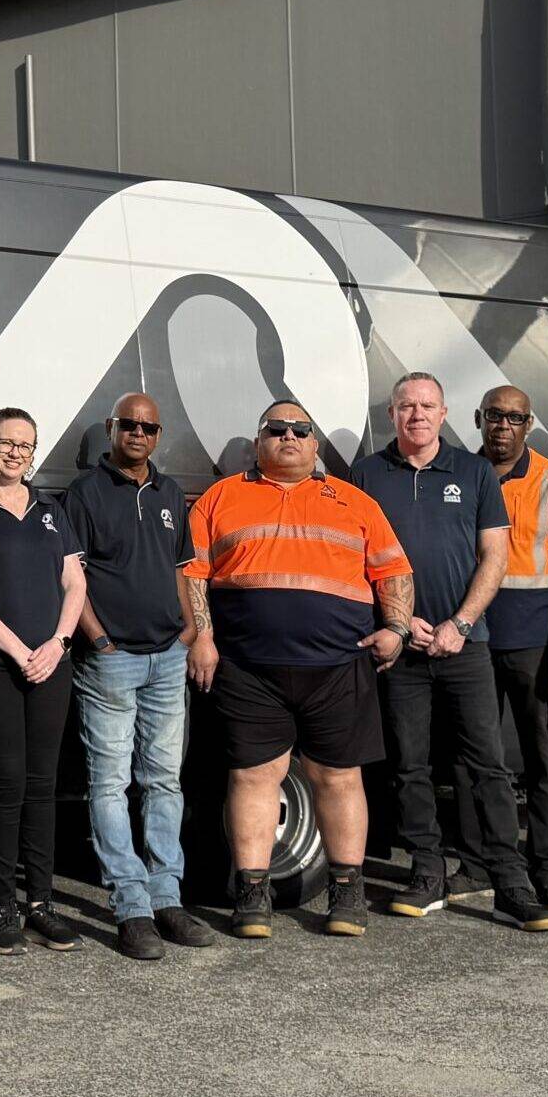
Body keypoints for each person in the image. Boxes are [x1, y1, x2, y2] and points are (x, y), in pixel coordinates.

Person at [184, 397, 412, 940]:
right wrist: (203, 636)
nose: (288, 436)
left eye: (300, 429)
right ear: (258, 441)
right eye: (276, 428)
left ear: (314, 444)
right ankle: (252, 895)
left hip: (338, 665)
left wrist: (398, 629)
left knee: (339, 778)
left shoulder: (355, 502)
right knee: (252, 777)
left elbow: (393, 570)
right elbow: (192, 573)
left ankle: (347, 894)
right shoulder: (220, 497)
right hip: (247, 669)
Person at [348, 373, 548, 931]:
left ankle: (509, 882)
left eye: (427, 405)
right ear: (392, 414)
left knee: (488, 766)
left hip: (466, 646)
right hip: (401, 647)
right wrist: (398, 621)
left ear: (444, 414)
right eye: (406, 406)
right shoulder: (366, 475)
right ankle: (426, 873)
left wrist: (460, 624)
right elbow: (356, 559)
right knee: (409, 765)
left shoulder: (473, 472)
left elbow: (495, 557)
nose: (417, 414)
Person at [64, 393, 214, 961]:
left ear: (158, 435)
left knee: (164, 782)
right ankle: (130, 907)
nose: (138, 434)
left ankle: (166, 898)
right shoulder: (84, 493)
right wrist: (98, 639)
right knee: (109, 784)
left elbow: (181, 569)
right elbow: (70, 576)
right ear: (111, 428)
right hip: (113, 660)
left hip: (167, 657)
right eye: (129, 425)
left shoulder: (170, 492)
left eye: (149, 428)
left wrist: (189, 629)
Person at [0, 408, 88, 955]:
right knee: (6, 783)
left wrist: (59, 643)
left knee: (42, 785)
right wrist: (17, 650)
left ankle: (41, 903)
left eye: (25, 445)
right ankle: (2, 907)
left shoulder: (50, 509)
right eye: (7, 442)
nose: (15, 452)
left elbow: (74, 583)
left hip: (50, 664)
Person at [462, 386, 548, 913]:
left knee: (544, 760)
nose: (503, 426)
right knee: (473, 759)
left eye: (514, 418)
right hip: (471, 639)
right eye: (494, 416)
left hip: (536, 643)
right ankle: (476, 865)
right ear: (479, 418)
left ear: (529, 424)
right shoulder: (460, 474)